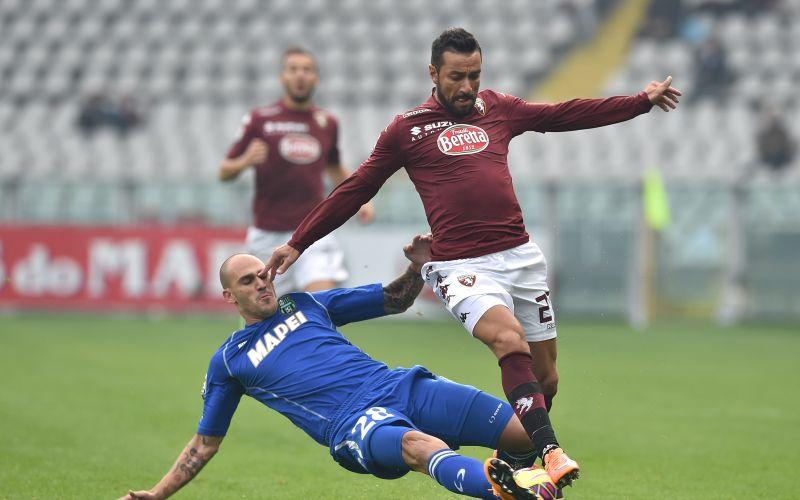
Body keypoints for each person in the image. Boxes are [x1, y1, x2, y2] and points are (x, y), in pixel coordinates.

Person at [265, 28, 682, 488]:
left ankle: (511, 473)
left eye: (475, 76)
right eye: (457, 77)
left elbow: (563, 114)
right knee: (509, 341)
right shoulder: (407, 129)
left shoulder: (499, 108)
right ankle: (551, 452)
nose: (467, 87)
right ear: (433, 74)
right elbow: (356, 187)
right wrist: (299, 241)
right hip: (461, 265)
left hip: (520, 257)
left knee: (547, 379)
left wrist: (640, 101)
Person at [120, 235, 559, 500]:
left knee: (523, 433)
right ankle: (504, 488)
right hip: (353, 424)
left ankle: (511, 480)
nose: (262, 283)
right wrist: (159, 493)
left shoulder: (307, 303)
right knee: (418, 446)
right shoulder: (230, 361)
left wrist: (418, 266)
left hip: (399, 385)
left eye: (263, 274)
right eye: (247, 280)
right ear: (229, 297)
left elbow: (394, 300)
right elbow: (204, 443)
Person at [218, 46, 374, 296]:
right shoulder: (260, 120)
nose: (300, 75)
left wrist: (361, 199)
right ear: (283, 77)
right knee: (268, 319)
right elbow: (224, 172)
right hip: (266, 235)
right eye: (293, 69)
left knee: (322, 302)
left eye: (307, 70)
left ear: (316, 78)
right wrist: (245, 160)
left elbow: (333, 165)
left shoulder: (327, 122)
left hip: (313, 231)